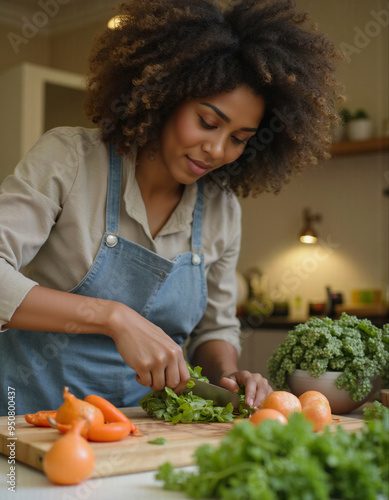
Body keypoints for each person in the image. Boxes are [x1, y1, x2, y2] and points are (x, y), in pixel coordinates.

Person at [0, 0, 343, 415]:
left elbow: (215, 329)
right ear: (165, 98)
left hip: (142, 431)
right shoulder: (69, 158)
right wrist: (113, 317)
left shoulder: (222, 210)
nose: (217, 149)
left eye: (239, 138)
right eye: (208, 122)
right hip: (25, 419)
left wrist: (230, 375)